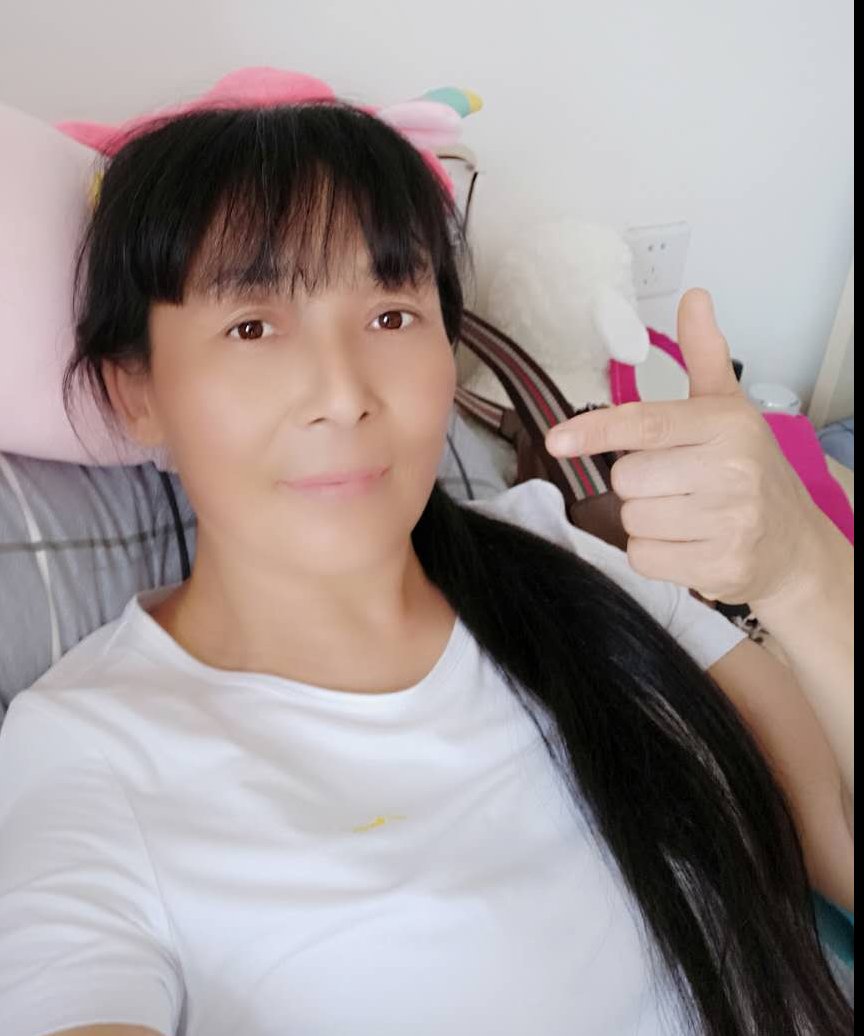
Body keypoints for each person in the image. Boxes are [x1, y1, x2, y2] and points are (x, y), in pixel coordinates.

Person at [0, 101, 853, 1036]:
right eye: (252, 327)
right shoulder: (87, 749)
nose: (343, 394)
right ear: (136, 392)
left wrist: (801, 569)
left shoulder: (565, 562)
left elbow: (837, 841)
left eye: (390, 313)